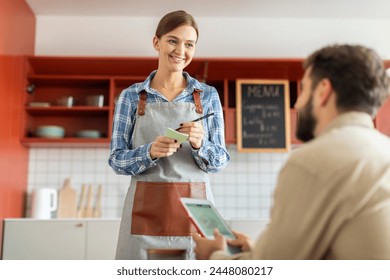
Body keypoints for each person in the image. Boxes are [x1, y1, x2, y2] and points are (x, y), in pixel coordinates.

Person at [193, 44, 390, 260]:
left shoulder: (314, 160)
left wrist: (215, 256)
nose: (297, 102)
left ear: (323, 91)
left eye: (304, 89)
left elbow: (275, 269)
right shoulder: (383, 149)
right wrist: (256, 248)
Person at [108, 10, 230, 260]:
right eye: (173, 41)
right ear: (157, 42)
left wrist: (200, 144)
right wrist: (149, 152)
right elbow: (117, 160)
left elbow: (220, 161)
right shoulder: (131, 97)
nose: (180, 51)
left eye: (189, 44)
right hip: (144, 217)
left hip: (195, 214)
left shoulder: (207, 96)